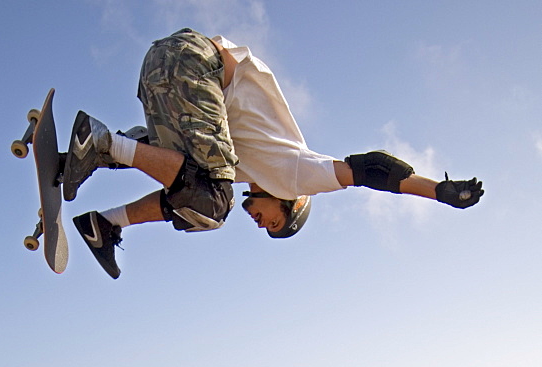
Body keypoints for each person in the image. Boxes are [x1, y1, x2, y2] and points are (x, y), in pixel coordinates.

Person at [62, 27, 484, 279]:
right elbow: (371, 170)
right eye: (274, 222)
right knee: (213, 202)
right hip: (194, 66)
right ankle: (101, 143)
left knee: (196, 195)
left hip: (160, 69)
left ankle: (102, 215)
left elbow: (183, 181)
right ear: (290, 204)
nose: (260, 223)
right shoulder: (297, 174)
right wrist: (438, 192)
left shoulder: (242, 167)